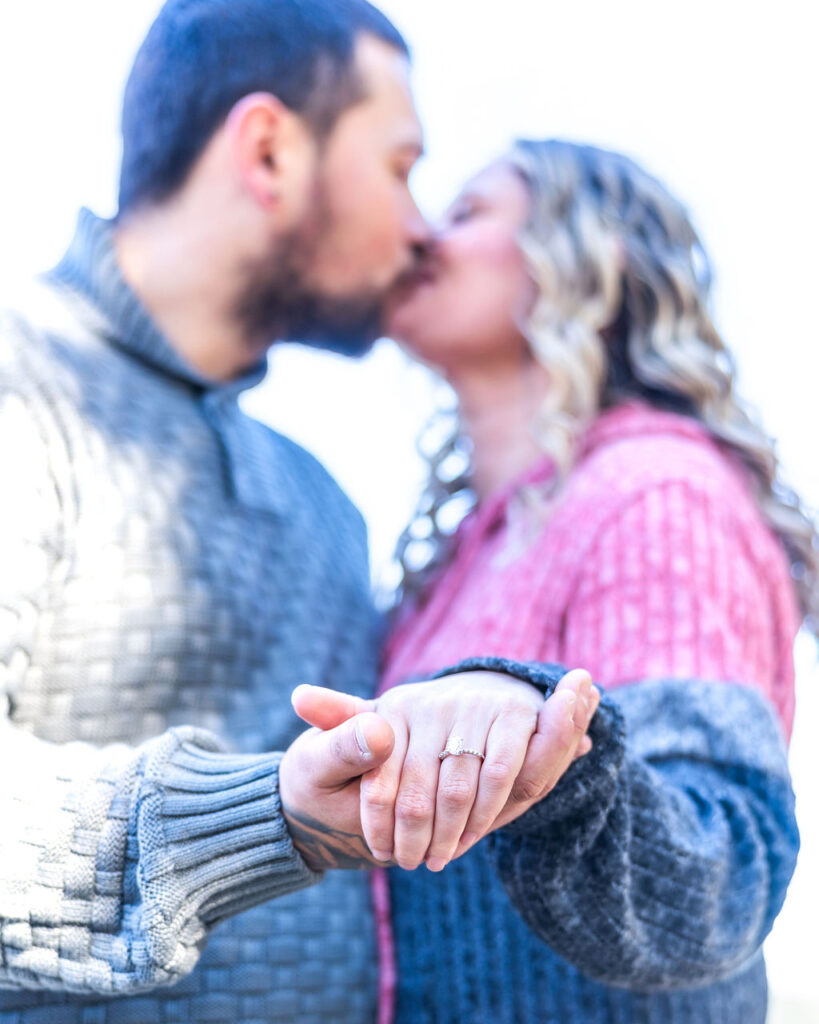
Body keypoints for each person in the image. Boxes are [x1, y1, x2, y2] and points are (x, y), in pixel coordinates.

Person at [0, 5, 598, 1023]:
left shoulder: (328, 504)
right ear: (270, 150)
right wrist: (267, 813)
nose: (420, 228)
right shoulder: (23, 388)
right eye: (401, 166)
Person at [301, 140, 810, 1022]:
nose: (421, 236)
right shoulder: (457, 560)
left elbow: (708, 880)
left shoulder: (652, 494)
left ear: (585, 256)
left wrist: (555, 752)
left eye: (467, 214)